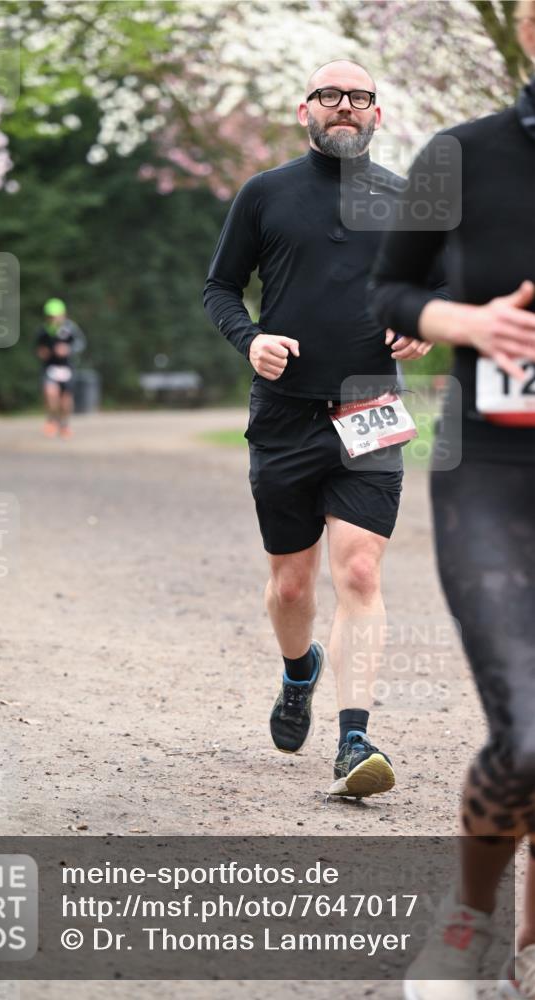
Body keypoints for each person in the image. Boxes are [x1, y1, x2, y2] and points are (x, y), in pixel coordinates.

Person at [203, 59, 442, 799]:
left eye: (360, 97)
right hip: (283, 414)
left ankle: (354, 739)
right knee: (289, 584)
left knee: (361, 571)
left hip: (368, 407)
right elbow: (218, 287)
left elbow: (430, 287)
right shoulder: (264, 194)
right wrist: (250, 340)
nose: (346, 106)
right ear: (304, 109)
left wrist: (421, 325)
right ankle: (296, 668)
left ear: (377, 113)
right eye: (331, 96)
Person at [371, 5, 535, 996]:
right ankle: (471, 916)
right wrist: (464, 318)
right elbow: (385, 294)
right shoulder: (458, 155)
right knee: (528, 729)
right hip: (493, 476)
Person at [35, 298, 86, 438]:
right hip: (50, 367)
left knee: (65, 400)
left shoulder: (70, 328)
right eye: (50, 316)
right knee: (51, 394)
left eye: (55, 315)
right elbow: (38, 348)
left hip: (67, 368)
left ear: (63, 314)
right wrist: (42, 352)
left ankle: (64, 424)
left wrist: (68, 349)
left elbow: (81, 344)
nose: (53, 318)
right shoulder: (44, 330)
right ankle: (52, 420)